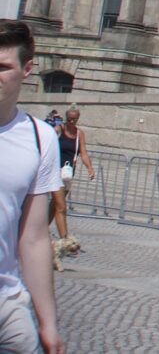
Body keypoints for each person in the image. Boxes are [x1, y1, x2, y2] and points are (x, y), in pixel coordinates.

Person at [0, 22, 64, 354]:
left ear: (27, 69)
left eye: (2, 67)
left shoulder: (41, 139)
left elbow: (35, 237)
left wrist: (48, 323)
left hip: (6, 302)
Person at [50, 109, 92, 260]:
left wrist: (90, 168)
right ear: (66, 118)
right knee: (61, 207)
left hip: (67, 175)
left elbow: (83, 153)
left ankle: (38, 232)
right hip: (55, 172)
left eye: (75, 119)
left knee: (54, 206)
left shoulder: (80, 134)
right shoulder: (59, 130)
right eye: (69, 119)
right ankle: (66, 241)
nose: (72, 122)